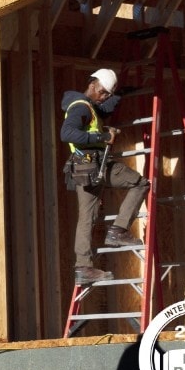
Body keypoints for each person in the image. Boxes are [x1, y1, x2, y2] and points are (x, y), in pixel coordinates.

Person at [60, 68, 149, 285]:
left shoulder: (89, 106)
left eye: (107, 94)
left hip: (83, 170)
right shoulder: (81, 107)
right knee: (140, 183)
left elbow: (104, 110)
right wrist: (102, 136)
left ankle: (83, 268)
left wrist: (120, 93)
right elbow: (67, 133)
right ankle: (119, 230)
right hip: (95, 165)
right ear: (92, 84)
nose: (104, 97)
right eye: (102, 92)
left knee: (86, 217)